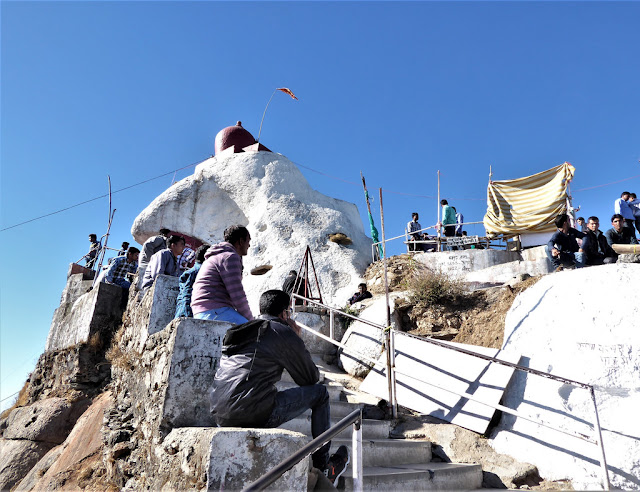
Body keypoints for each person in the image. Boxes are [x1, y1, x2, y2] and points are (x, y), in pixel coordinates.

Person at [209, 289, 350, 484]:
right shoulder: (281, 330)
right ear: (284, 313)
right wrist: (297, 339)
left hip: (219, 413)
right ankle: (324, 467)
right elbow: (310, 378)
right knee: (321, 394)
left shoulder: (245, 330)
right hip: (252, 412)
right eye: (289, 313)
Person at [191, 225, 253, 324]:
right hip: (215, 310)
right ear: (241, 241)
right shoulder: (230, 257)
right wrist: (251, 320)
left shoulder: (216, 256)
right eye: (248, 241)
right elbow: (237, 295)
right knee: (256, 332)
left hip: (202, 310)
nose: (249, 245)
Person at [175, 244, 209, 318]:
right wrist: (188, 314)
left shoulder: (194, 271)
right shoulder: (198, 271)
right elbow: (187, 294)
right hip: (186, 312)